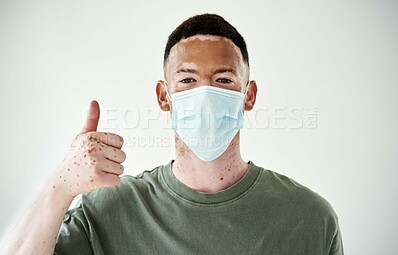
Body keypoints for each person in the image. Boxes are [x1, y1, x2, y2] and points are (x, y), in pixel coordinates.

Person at [1, 13, 343, 254]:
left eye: (223, 80)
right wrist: (59, 187)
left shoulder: (309, 218)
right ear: (165, 97)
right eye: (188, 80)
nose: (206, 96)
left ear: (248, 95)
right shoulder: (109, 211)